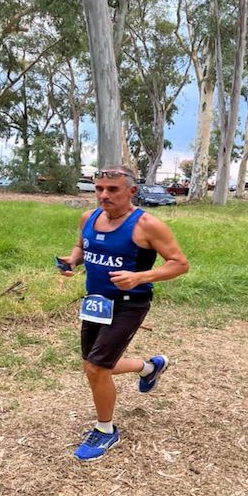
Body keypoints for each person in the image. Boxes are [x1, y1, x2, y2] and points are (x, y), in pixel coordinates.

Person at [57, 165, 189, 461]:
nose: (104, 195)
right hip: (96, 302)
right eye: (99, 188)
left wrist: (139, 277)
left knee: (96, 368)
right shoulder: (88, 217)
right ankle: (149, 367)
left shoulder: (147, 225)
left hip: (130, 303)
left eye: (112, 189)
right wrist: (73, 260)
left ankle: (105, 430)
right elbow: (81, 246)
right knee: (94, 365)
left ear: (131, 191)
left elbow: (179, 263)